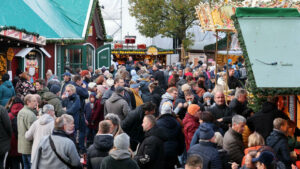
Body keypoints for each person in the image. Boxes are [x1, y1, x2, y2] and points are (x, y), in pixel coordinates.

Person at [156, 102, 185, 169]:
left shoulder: (157, 123)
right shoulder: (177, 122)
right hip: (173, 151)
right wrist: (180, 151)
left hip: (161, 152)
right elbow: (181, 138)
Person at [17, 94, 38, 169]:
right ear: (28, 102)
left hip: (22, 146)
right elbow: (34, 133)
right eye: (34, 101)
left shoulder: (21, 111)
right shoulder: (30, 115)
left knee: (26, 166)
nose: (36, 103)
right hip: (30, 148)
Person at [6, 97, 23, 169]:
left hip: (11, 143)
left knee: (11, 162)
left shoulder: (9, 115)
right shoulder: (24, 113)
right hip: (22, 143)